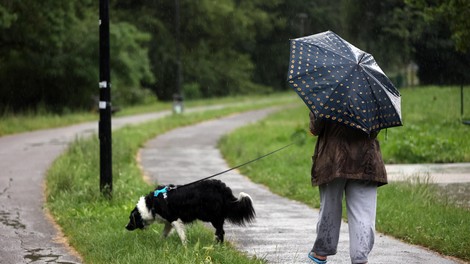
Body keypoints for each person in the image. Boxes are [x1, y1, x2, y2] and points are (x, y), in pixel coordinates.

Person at [307, 111, 387, 264]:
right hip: (366, 161)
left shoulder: (326, 93)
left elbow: (315, 128)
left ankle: (320, 254)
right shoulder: (370, 95)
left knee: (329, 209)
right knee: (363, 214)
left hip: (332, 160)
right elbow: (375, 129)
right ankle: (360, 259)